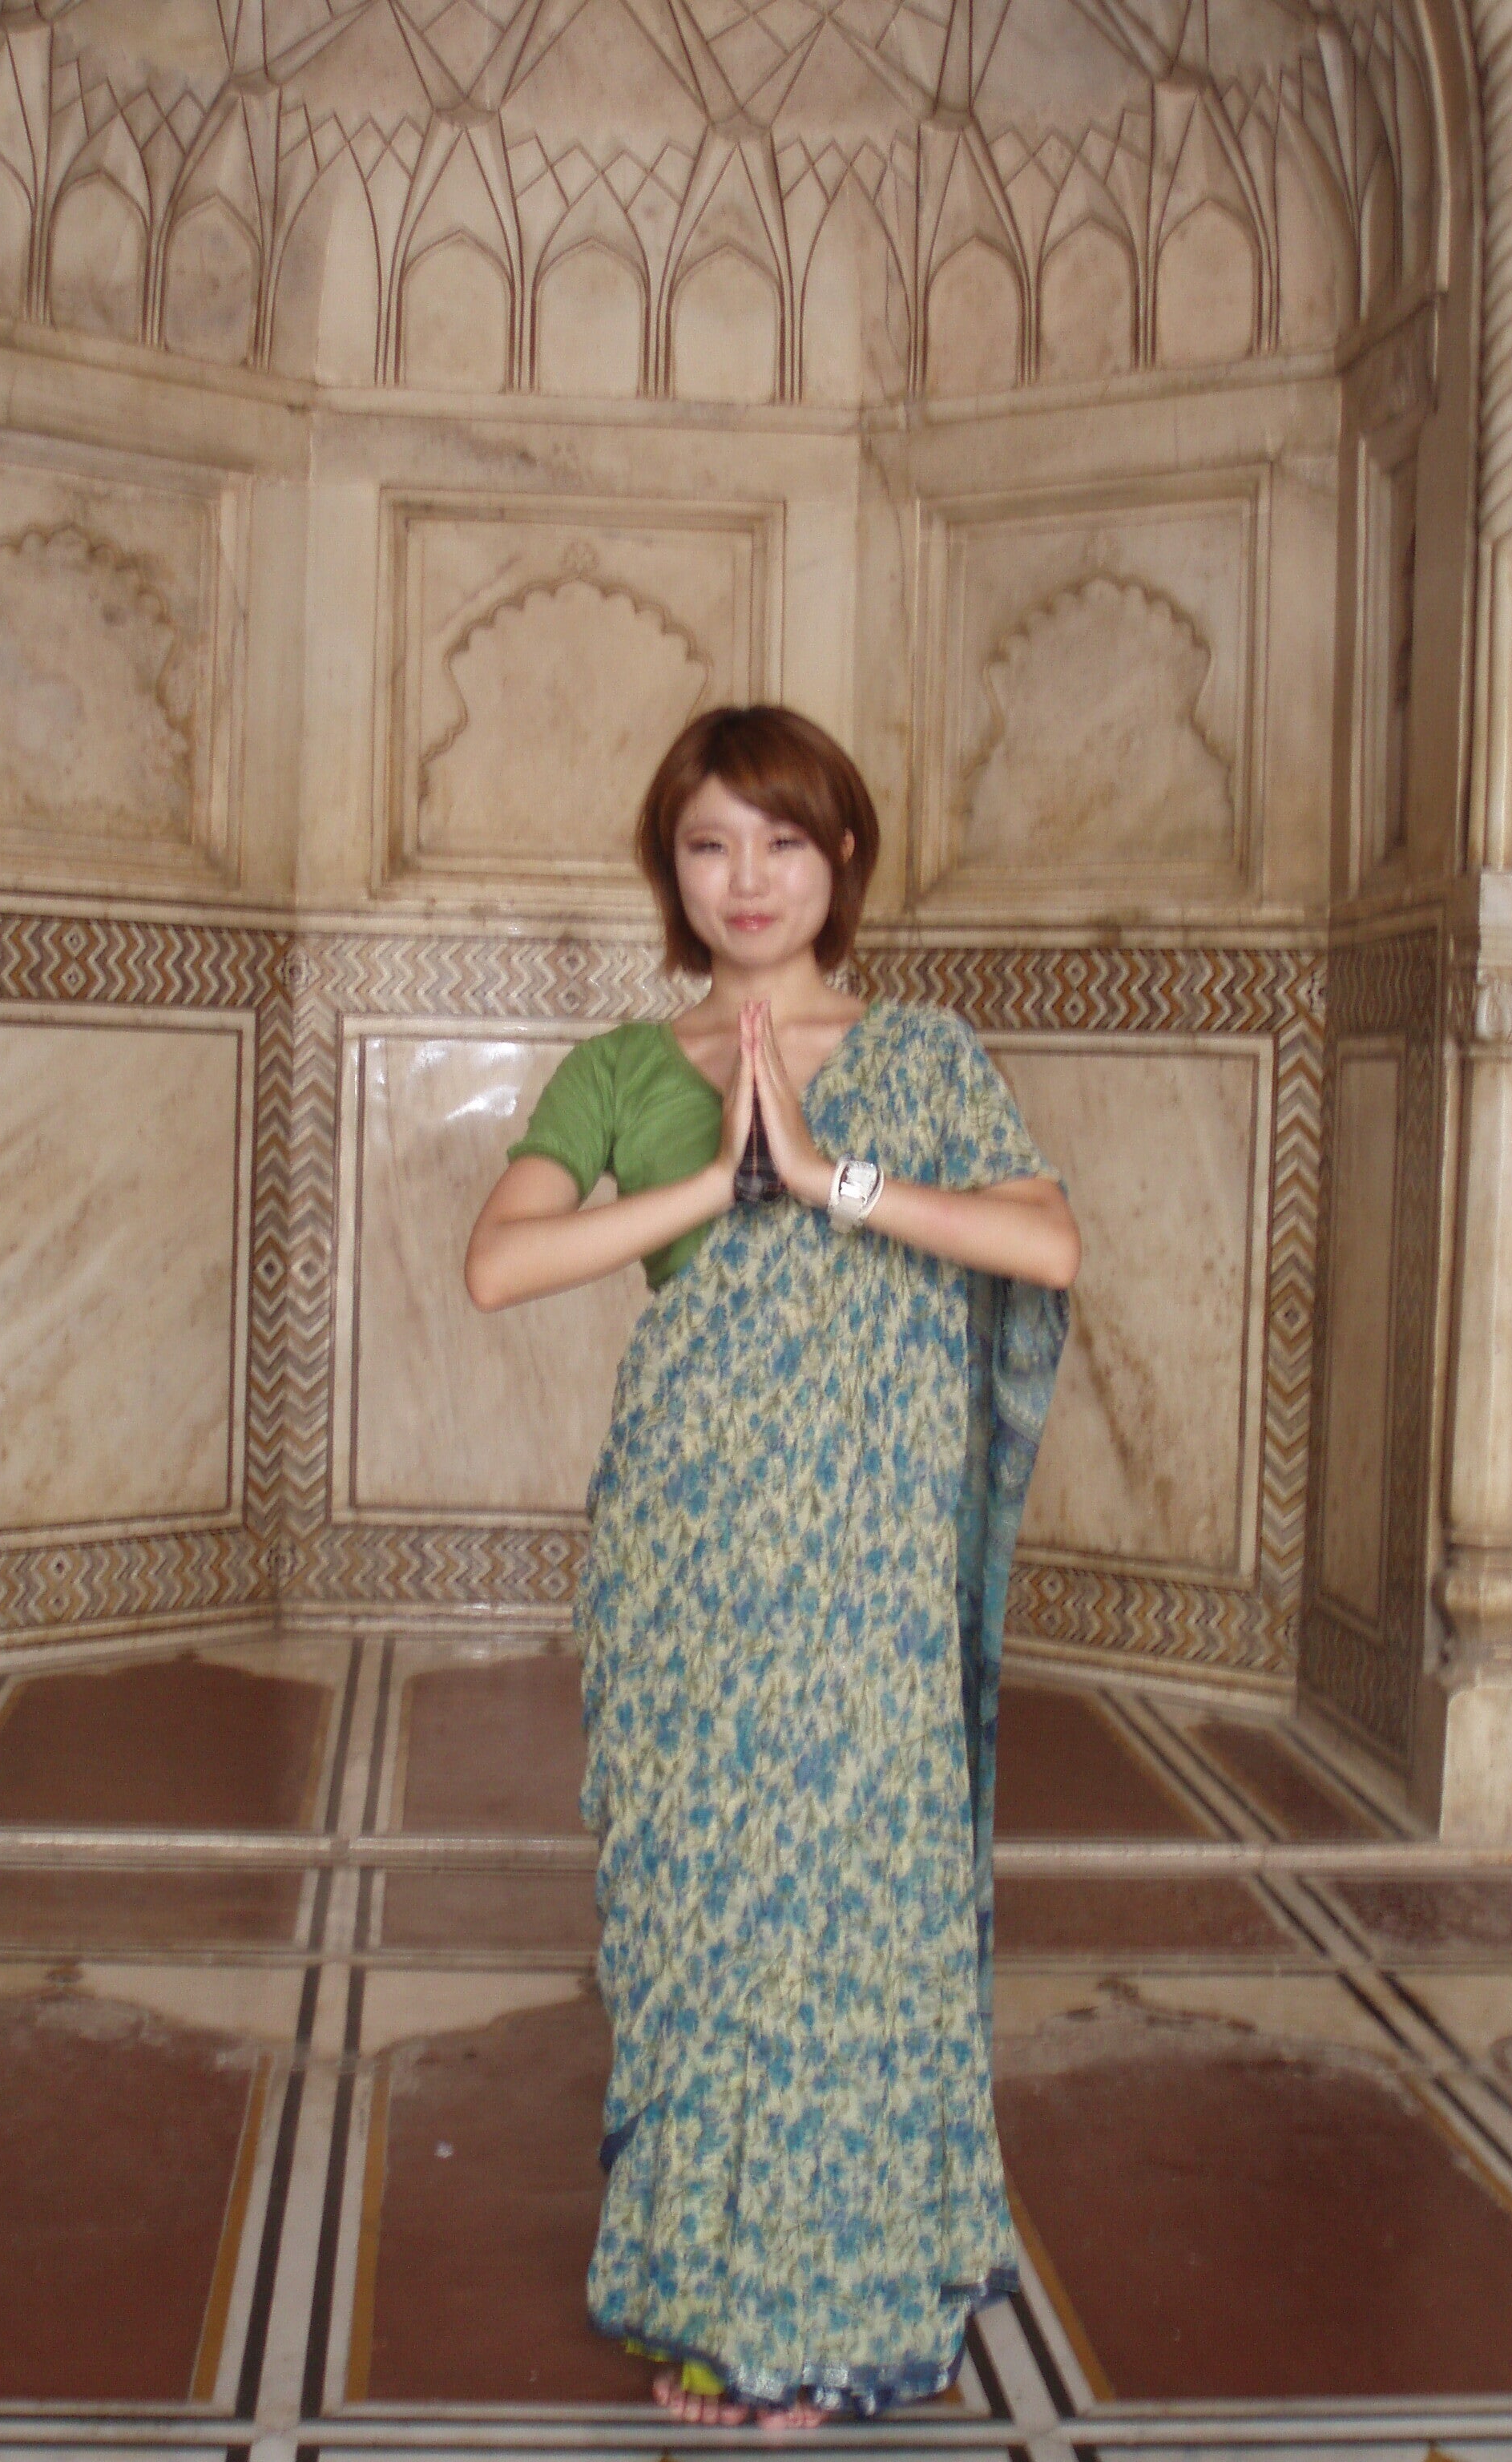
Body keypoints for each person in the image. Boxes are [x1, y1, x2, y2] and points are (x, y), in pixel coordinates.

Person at [465, 705, 1078, 2424]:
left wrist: (829, 1175)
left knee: (845, 1922)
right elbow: (498, 1266)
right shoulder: (624, 1067)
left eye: (784, 841)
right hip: (688, 1559)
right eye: (710, 845)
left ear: (843, 858)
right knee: (700, 1925)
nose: (747, 878)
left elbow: (1045, 1241)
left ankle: (816, 2319)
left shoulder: (923, 1054)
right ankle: (712, 2288)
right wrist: (722, 1189)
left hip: (866, 1579)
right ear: (669, 868)